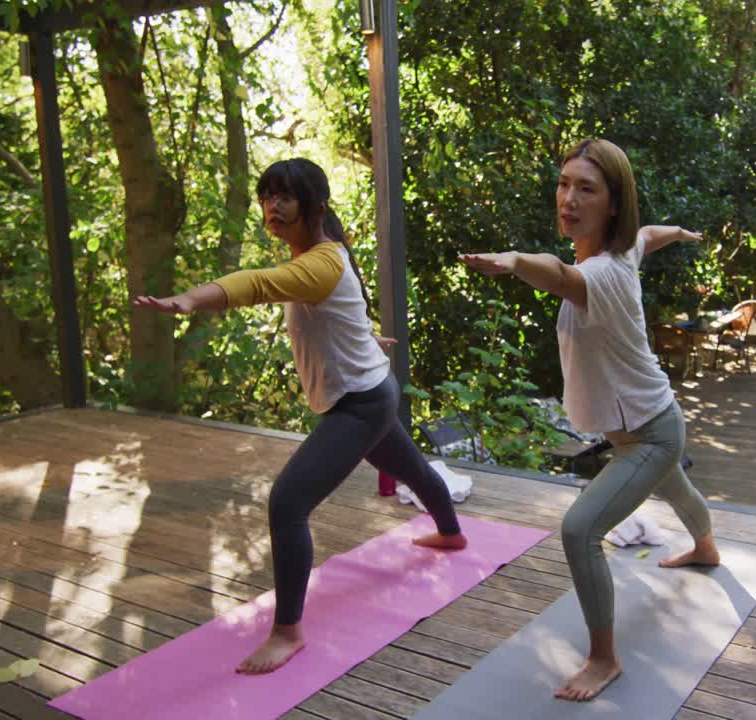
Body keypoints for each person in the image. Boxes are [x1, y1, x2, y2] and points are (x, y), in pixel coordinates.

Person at [134, 158, 467, 675]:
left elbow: (256, 284)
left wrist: (188, 301)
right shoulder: (321, 257)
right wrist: (365, 338)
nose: (272, 207)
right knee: (411, 468)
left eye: (284, 197)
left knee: (287, 502)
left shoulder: (318, 263)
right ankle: (450, 532)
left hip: (361, 402)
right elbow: (341, 313)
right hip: (372, 391)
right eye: (267, 196)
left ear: (315, 207)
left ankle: (287, 632)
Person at [461, 138, 720, 702]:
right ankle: (706, 547)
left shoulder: (602, 274)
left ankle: (604, 658)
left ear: (612, 204)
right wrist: (674, 232)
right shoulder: (623, 253)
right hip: (656, 424)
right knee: (677, 487)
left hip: (649, 434)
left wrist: (512, 261)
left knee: (580, 531)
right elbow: (647, 236)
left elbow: (556, 274)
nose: (569, 198)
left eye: (587, 189)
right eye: (564, 184)